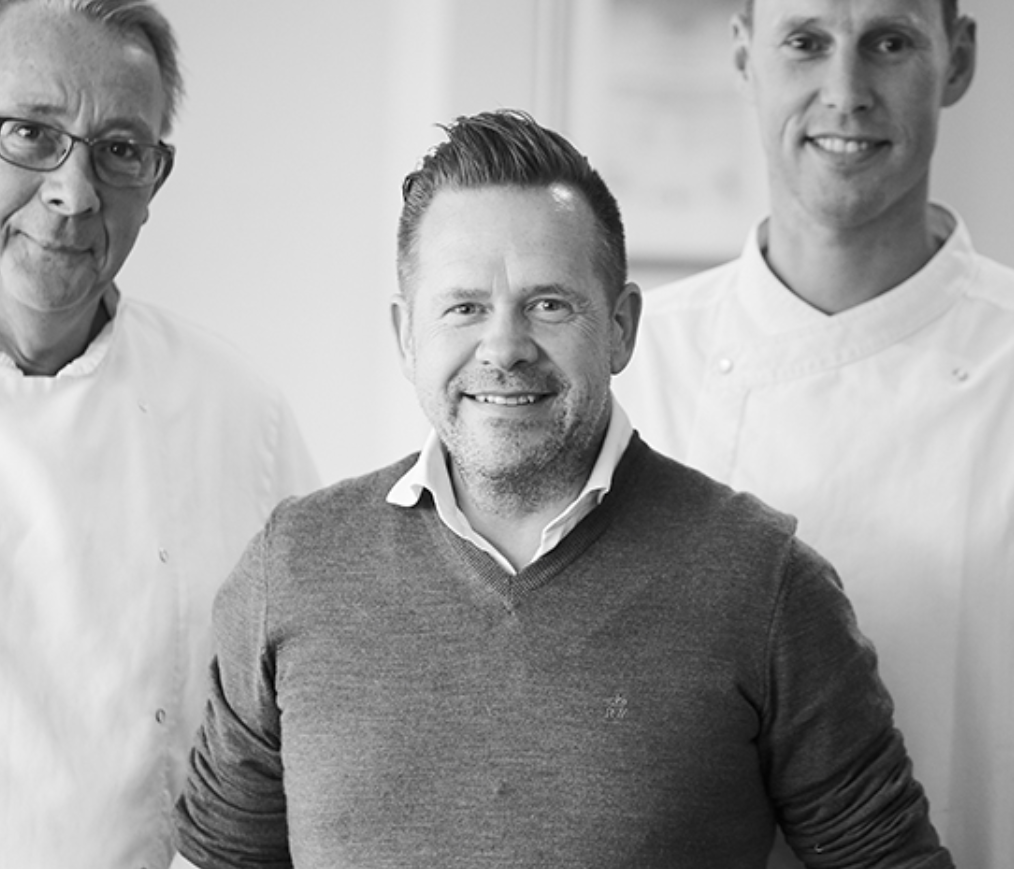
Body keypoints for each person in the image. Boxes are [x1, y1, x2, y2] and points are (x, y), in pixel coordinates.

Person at [170, 109, 951, 868]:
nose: (504, 348)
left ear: (620, 327)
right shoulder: (293, 567)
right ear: (407, 335)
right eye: (464, 307)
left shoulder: (765, 584)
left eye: (548, 305)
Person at [615, 0, 1013, 866]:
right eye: (805, 42)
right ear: (743, 54)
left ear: (957, 60)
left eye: (890, 42)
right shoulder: (633, 365)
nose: (845, 91)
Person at [0, 0, 318, 869]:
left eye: (119, 149)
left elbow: (311, 708)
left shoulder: (239, 412)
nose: (73, 194)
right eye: (30, 134)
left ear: (156, 178)